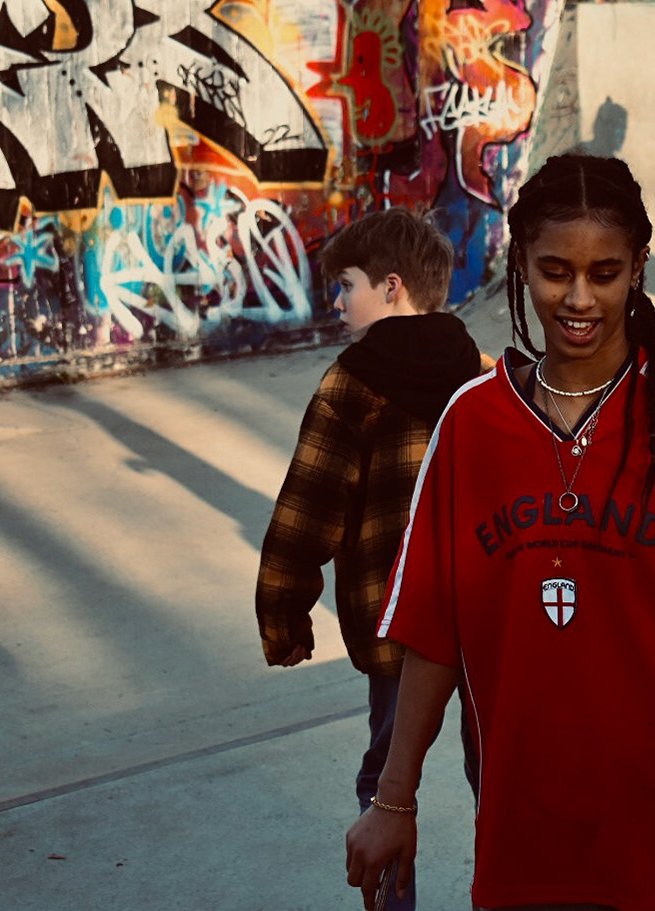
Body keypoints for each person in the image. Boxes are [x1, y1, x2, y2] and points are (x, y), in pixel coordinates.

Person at [343, 154, 655, 911]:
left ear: (638, 267)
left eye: (604, 273)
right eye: (555, 271)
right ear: (520, 263)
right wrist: (394, 799)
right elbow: (433, 632)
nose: (579, 298)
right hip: (523, 827)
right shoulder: (471, 422)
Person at [255, 207, 486, 911]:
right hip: (485, 619)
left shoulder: (351, 383)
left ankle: (393, 900)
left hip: (396, 623)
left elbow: (307, 509)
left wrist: (284, 616)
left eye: (346, 284)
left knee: (387, 779)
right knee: (499, 772)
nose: (336, 301)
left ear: (390, 287)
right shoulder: (484, 376)